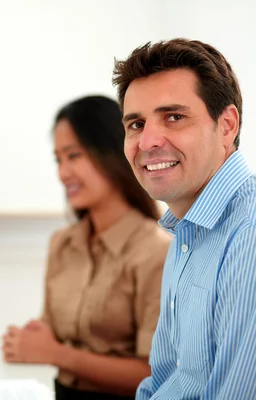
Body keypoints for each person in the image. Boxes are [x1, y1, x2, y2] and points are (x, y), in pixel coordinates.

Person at [1, 95, 171, 400]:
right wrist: (28, 341)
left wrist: (56, 354)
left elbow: (154, 375)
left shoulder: (156, 250)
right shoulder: (62, 243)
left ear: (112, 153)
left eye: (74, 155)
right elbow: (50, 336)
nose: (63, 173)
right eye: (58, 160)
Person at [112, 38, 256, 399]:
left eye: (173, 117)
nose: (147, 142)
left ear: (227, 125)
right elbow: (164, 381)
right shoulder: (187, 229)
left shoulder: (248, 235)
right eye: (136, 124)